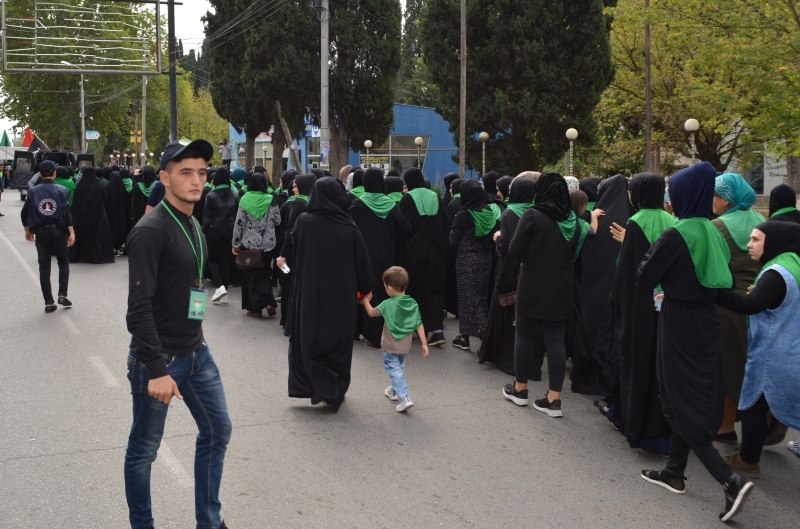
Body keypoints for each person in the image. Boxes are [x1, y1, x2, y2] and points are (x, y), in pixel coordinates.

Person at [125, 139, 232, 529]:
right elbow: (137, 310)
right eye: (186, 172)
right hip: (159, 359)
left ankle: (209, 520)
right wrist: (156, 369)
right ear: (165, 177)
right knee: (144, 450)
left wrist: (197, 332)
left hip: (195, 352)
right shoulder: (150, 231)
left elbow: (194, 285)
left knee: (218, 430)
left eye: (201, 172)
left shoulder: (192, 223)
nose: (196, 180)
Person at [637, 161, 753, 523]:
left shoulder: (678, 233)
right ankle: (674, 471)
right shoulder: (712, 230)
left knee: (674, 400)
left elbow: (644, 276)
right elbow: (722, 282)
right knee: (688, 395)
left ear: (687, 194)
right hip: (706, 321)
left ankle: (728, 479)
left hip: (678, 321)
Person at [715, 221, 800, 477]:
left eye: (755, 240)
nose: (749, 245)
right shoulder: (794, 262)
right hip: (792, 350)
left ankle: (748, 460)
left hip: (774, 354)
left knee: (753, 406)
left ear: (772, 242)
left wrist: (712, 291)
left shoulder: (777, 271)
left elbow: (751, 304)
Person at [281, 178, 374, 411]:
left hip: (309, 294)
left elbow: (292, 246)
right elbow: (363, 266)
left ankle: (311, 384)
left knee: (309, 340)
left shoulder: (304, 222)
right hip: (341, 298)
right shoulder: (349, 227)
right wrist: (364, 291)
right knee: (338, 343)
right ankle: (334, 389)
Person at [502, 172, 584, 418]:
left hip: (532, 285)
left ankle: (520, 389)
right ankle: (554, 399)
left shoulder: (533, 215)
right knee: (556, 341)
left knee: (524, 335)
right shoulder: (574, 221)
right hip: (562, 289)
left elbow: (514, 249)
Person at [605, 173, 675, 455]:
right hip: (665, 304)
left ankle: (630, 421)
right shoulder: (671, 221)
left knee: (635, 362)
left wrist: (615, 302)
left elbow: (627, 273)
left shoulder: (637, 222)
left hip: (638, 307)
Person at [710, 173, 765, 444]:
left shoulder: (719, 226)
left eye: (717, 195)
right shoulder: (763, 222)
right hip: (759, 302)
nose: (713, 200)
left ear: (728, 200)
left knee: (726, 366)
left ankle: (725, 426)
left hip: (727, 305)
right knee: (749, 366)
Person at [571, 174, 629, 396]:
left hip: (593, 288)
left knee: (591, 332)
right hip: (619, 288)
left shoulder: (597, 218)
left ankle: (590, 380)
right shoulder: (629, 218)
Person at [478, 177, 536, 373]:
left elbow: (505, 246)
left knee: (502, 310)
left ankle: (497, 354)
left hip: (508, 271)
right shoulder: (534, 212)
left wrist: (498, 238)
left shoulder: (510, 213)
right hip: (527, 270)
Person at [349, 167, 411, 348]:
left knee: (362, 291)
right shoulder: (391, 205)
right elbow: (406, 229)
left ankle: (357, 330)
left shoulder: (357, 205)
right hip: (386, 257)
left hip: (362, 257)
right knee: (383, 294)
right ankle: (376, 336)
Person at [361, 266, 429, 412]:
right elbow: (419, 324)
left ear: (390, 288)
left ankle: (404, 397)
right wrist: (424, 343)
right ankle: (393, 390)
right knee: (398, 369)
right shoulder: (412, 304)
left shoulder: (387, 304)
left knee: (394, 370)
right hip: (405, 346)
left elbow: (372, 313)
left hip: (390, 346)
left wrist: (365, 301)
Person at [398, 168, 450, 346]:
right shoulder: (435, 197)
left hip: (413, 253)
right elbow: (445, 224)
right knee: (433, 288)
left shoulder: (406, 199)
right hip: (435, 251)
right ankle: (437, 331)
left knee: (413, 288)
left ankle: (415, 327)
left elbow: (402, 226)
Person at [449, 179, 500, 350]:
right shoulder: (490, 212)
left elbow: (452, 241)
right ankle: (464, 336)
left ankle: (487, 337)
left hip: (466, 261)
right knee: (481, 298)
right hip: (486, 259)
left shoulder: (463, 215)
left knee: (467, 300)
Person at [20, 160, 75, 312]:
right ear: (54, 173)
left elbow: (24, 213)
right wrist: (71, 231)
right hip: (59, 231)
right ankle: (63, 294)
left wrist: (27, 230)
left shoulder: (32, 191)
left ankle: (49, 303)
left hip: (42, 232)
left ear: (40, 174)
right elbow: (66, 212)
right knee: (63, 262)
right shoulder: (62, 190)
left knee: (44, 267)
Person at [232, 172, 281, 318]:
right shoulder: (271, 199)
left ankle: (256, 308)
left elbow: (239, 224)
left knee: (252, 276)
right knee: (265, 272)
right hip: (268, 244)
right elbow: (278, 221)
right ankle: (269, 302)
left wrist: (235, 243)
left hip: (249, 244)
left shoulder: (245, 199)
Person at [278, 173, 315, 334]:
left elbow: (290, 232)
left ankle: (289, 322)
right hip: (306, 252)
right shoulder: (314, 202)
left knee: (289, 286)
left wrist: (283, 254)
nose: (293, 190)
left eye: (296, 186)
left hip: (293, 253)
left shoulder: (298, 204)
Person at [203, 168, 239, 305]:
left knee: (212, 260)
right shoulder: (235, 195)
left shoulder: (211, 195)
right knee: (226, 261)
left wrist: (204, 230)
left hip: (214, 230)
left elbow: (207, 217)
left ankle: (220, 286)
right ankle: (224, 293)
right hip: (230, 231)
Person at [69, 166, 115, 264]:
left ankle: (81, 256)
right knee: (99, 234)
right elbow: (105, 197)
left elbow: (76, 201)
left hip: (82, 215)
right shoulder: (99, 184)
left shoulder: (80, 185)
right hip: (98, 214)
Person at [106, 171, 133, 256]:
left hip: (110, 212)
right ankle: (121, 245)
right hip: (122, 213)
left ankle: (113, 247)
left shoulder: (108, 187)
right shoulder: (122, 188)